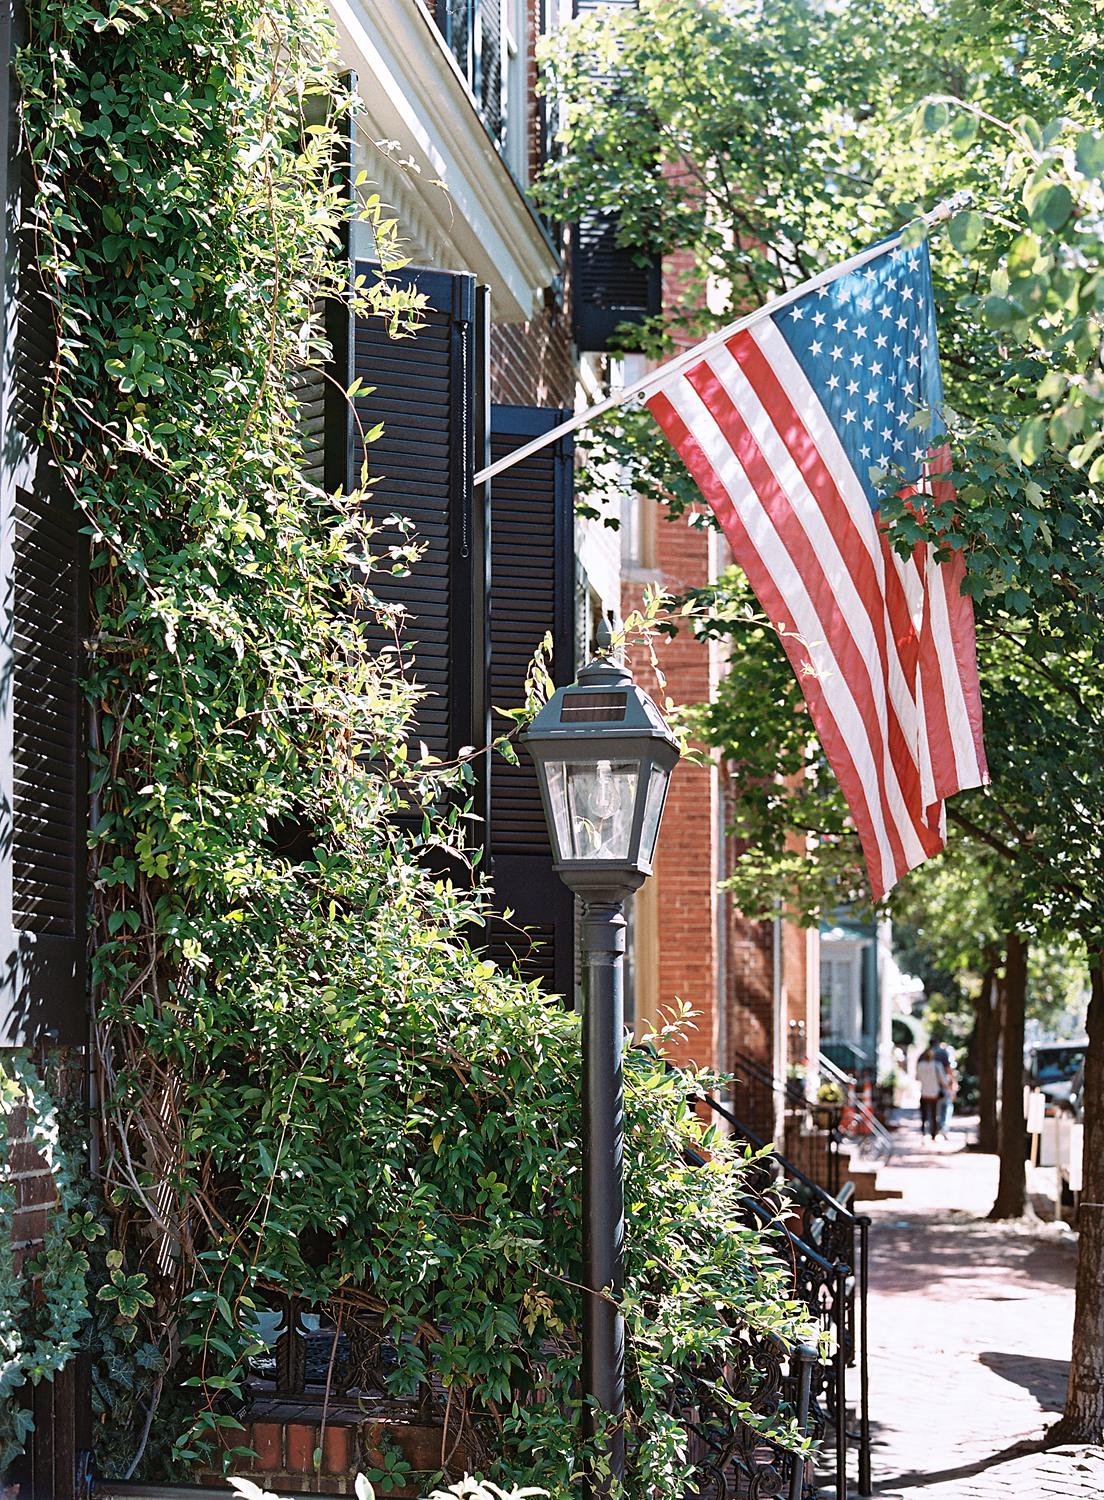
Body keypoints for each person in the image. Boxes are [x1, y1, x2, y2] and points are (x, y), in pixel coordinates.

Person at [916, 1043, 951, 1142]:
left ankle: (924, 1132)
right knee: (934, 1114)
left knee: (924, 1115)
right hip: (934, 1093)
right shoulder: (937, 1065)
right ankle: (933, 1134)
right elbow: (943, 1080)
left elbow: (917, 1078)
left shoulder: (920, 1065)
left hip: (924, 1093)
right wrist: (949, 1086)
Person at [931, 1038, 958, 1138]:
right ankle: (943, 1128)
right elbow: (949, 1070)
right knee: (946, 1106)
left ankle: (935, 1128)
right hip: (943, 1084)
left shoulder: (927, 1055)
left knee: (936, 1108)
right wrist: (952, 1085)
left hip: (932, 1087)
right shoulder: (943, 1053)